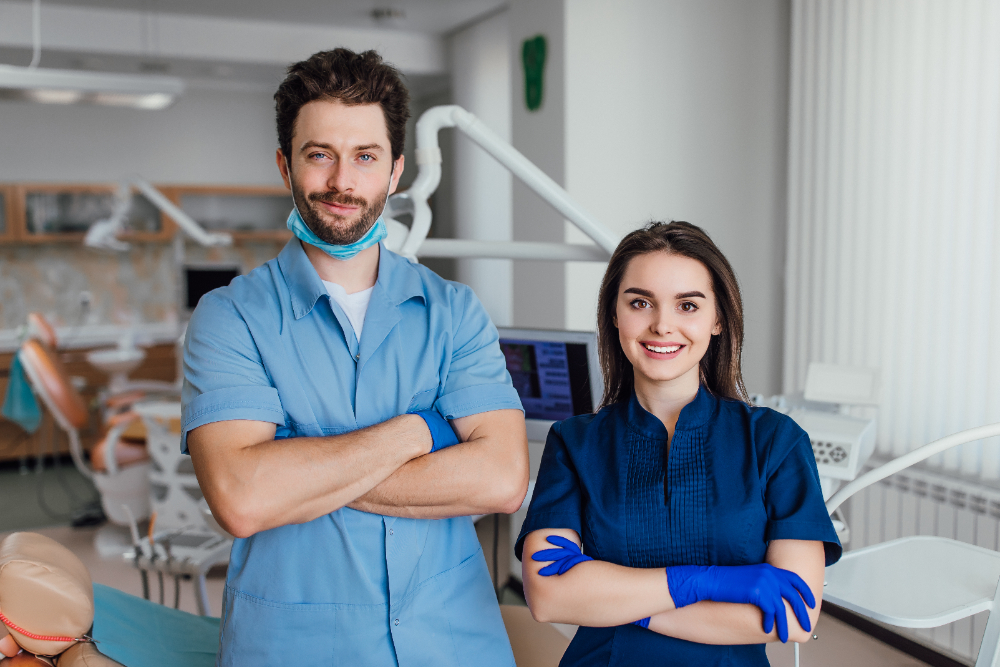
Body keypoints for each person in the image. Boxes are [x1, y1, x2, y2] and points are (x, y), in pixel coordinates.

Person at [182, 48, 529, 666]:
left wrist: (302, 468)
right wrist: (422, 430)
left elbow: (502, 478)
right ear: (286, 164)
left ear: (395, 171)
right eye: (320, 155)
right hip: (296, 649)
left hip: (454, 645)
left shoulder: (454, 312)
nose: (343, 182)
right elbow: (243, 499)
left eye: (365, 157)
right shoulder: (229, 317)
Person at [516, 221, 841, 666]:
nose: (662, 325)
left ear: (718, 320)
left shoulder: (775, 442)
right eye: (639, 302)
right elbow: (549, 597)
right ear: (614, 315)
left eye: (687, 305)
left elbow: (792, 615)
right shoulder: (575, 442)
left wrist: (619, 603)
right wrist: (703, 583)